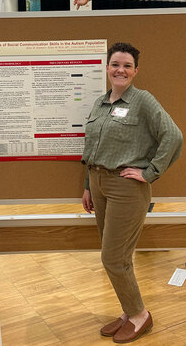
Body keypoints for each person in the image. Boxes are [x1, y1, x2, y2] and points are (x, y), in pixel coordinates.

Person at [81, 42, 182, 343]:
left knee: (112, 257)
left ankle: (140, 315)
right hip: (99, 184)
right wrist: (88, 186)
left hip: (127, 187)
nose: (120, 70)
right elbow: (91, 148)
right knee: (120, 256)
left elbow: (173, 137)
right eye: (115, 64)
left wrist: (149, 172)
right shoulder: (100, 104)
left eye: (126, 65)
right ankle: (128, 311)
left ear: (135, 70)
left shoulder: (143, 101)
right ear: (107, 68)